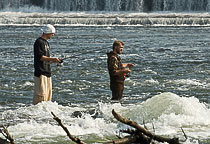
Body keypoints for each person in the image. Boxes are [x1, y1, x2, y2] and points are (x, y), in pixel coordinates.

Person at [33, 24, 61, 105]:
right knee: (41, 97)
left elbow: (46, 59)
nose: (53, 35)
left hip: (47, 72)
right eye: (52, 33)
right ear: (47, 32)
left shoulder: (46, 43)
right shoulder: (39, 42)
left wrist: (55, 61)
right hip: (40, 73)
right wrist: (53, 59)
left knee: (48, 98)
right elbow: (40, 57)